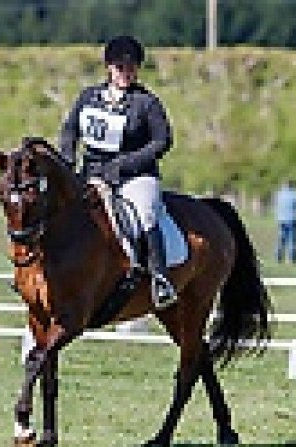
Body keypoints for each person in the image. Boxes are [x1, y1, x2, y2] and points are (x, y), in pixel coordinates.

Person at [59, 35, 176, 308]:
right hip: (92, 173)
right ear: (109, 68)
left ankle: (160, 278)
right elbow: (70, 129)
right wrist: (68, 159)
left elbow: (162, 141)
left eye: (132, 68)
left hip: (134, 176)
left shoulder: (146, 103)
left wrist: (126, 163)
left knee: (146, 213)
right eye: (121, 68)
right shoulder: (88, 97)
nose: (126, 73)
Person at [275, 179, 296, 264]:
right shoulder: (295, 194)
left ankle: (279, 258)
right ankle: (293, 259)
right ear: (292, 185)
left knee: (281, 239)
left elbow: (277, 205)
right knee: (293, 239)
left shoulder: (279, 194)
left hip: (281, 219)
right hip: (292, 219)